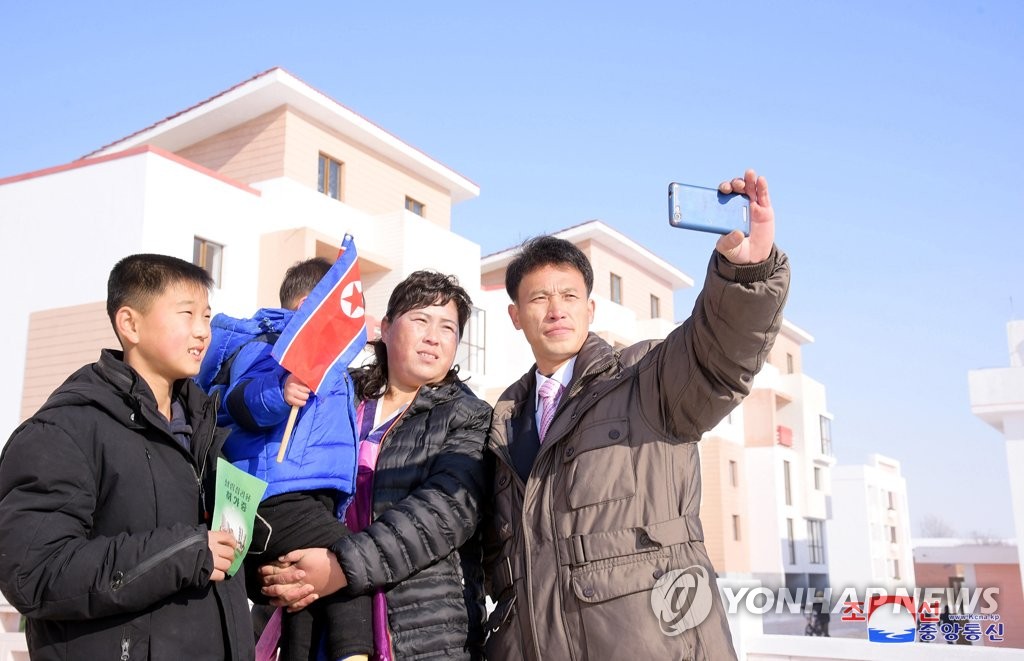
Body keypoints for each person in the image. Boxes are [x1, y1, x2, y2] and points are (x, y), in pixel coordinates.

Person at [482, 169, 790, 660]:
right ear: (516, 315)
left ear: (591, 308)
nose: (556, 309)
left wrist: (745, 276)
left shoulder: (643, 379)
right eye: (539, 298)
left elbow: (716, 357)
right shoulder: (501, 425)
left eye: (569, 296)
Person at [0, 254, 254, 661]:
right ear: (129, 324)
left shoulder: (206, 429)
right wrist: (186, 552)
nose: (202, 332)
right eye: (186, 314)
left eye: (207, 316)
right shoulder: (67, 429)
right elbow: (34, 572)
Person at [259, 271, 492, 660]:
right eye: (420, 320)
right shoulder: (337, 398)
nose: (434, 337)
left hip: (419, 632)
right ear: (385, 328)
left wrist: (337, 567)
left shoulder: (468, 416)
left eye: (448, 327)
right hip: (316, 614)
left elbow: (440, 514)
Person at [199, 257, 371, 661]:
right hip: (271, 498)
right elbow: (242, 401)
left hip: (304, 501)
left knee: (304, 595)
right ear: (313, 303)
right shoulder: (272, 343)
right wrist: (280, 390)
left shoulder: (331, 363)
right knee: (348, 559)